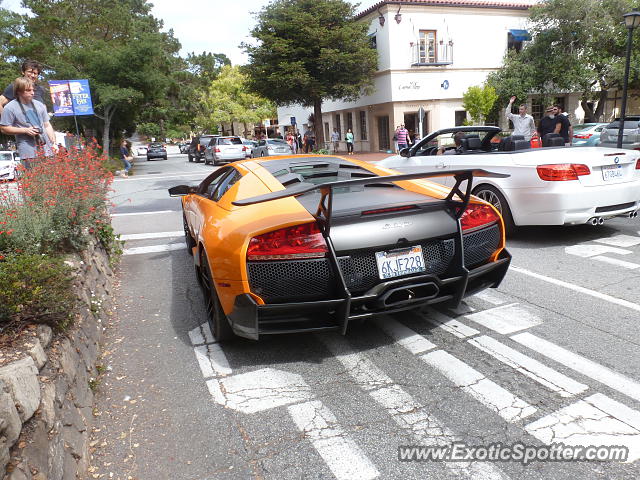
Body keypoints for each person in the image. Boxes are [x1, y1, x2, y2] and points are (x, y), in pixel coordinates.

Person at [0, 77, 55, 168]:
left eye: (33, 90)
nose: (32, 93)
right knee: (34, 179)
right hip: (28, 151)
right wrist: (25, 130)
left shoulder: (39, 105)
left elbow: (47, 125)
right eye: (28, 90)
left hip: (46, 149)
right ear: (18, 91)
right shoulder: (9, 108)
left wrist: (54, 143)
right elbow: (3, 128)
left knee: (51, 178)